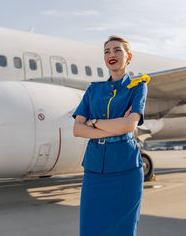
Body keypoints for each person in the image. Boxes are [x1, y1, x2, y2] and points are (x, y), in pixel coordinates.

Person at [72, 35, 150, 236]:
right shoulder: (93, 90)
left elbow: (129, 125)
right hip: (95, 170)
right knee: (90, 229)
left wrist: (95, 122)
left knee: (123, 230)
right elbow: (77, 129)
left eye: (117, 50)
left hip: (126, 169)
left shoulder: (138, 87)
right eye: (107, 51)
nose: (111, 55)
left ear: (128, 56)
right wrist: (115, 125)